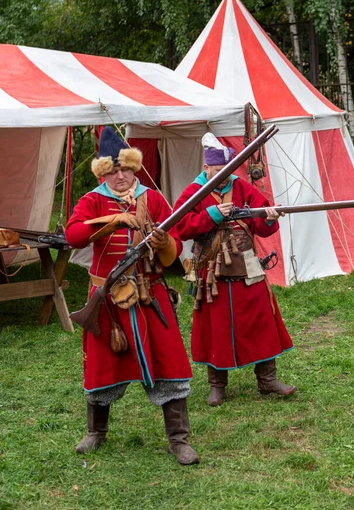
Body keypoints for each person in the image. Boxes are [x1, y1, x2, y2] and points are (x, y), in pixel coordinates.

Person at [65, 126, 199, 465]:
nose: (120, 176)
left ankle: (178, 439)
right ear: (103, 172)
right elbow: (74, 236)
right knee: (101, 365)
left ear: (134, 168)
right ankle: (96, 432)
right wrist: (111, 220)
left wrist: (163, 242)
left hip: (150, 294)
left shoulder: (151, 198)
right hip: (109, 299)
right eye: (112, 170)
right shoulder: (93, 199)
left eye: (125, 169)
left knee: (169, 361)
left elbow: (175, 249)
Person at [173, 133, 296, 407]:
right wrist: (212, 215)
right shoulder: (194, 192)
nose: (223, 178)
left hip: (247, 264)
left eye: (226, 173)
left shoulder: (240, 187)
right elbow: (180, 227)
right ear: (206, 169)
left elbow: (263, 223)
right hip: (210, 271)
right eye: (217, 173)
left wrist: (270, 216)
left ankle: (267, 379)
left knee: (261, 318)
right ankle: (217, 385)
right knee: (214, 326)